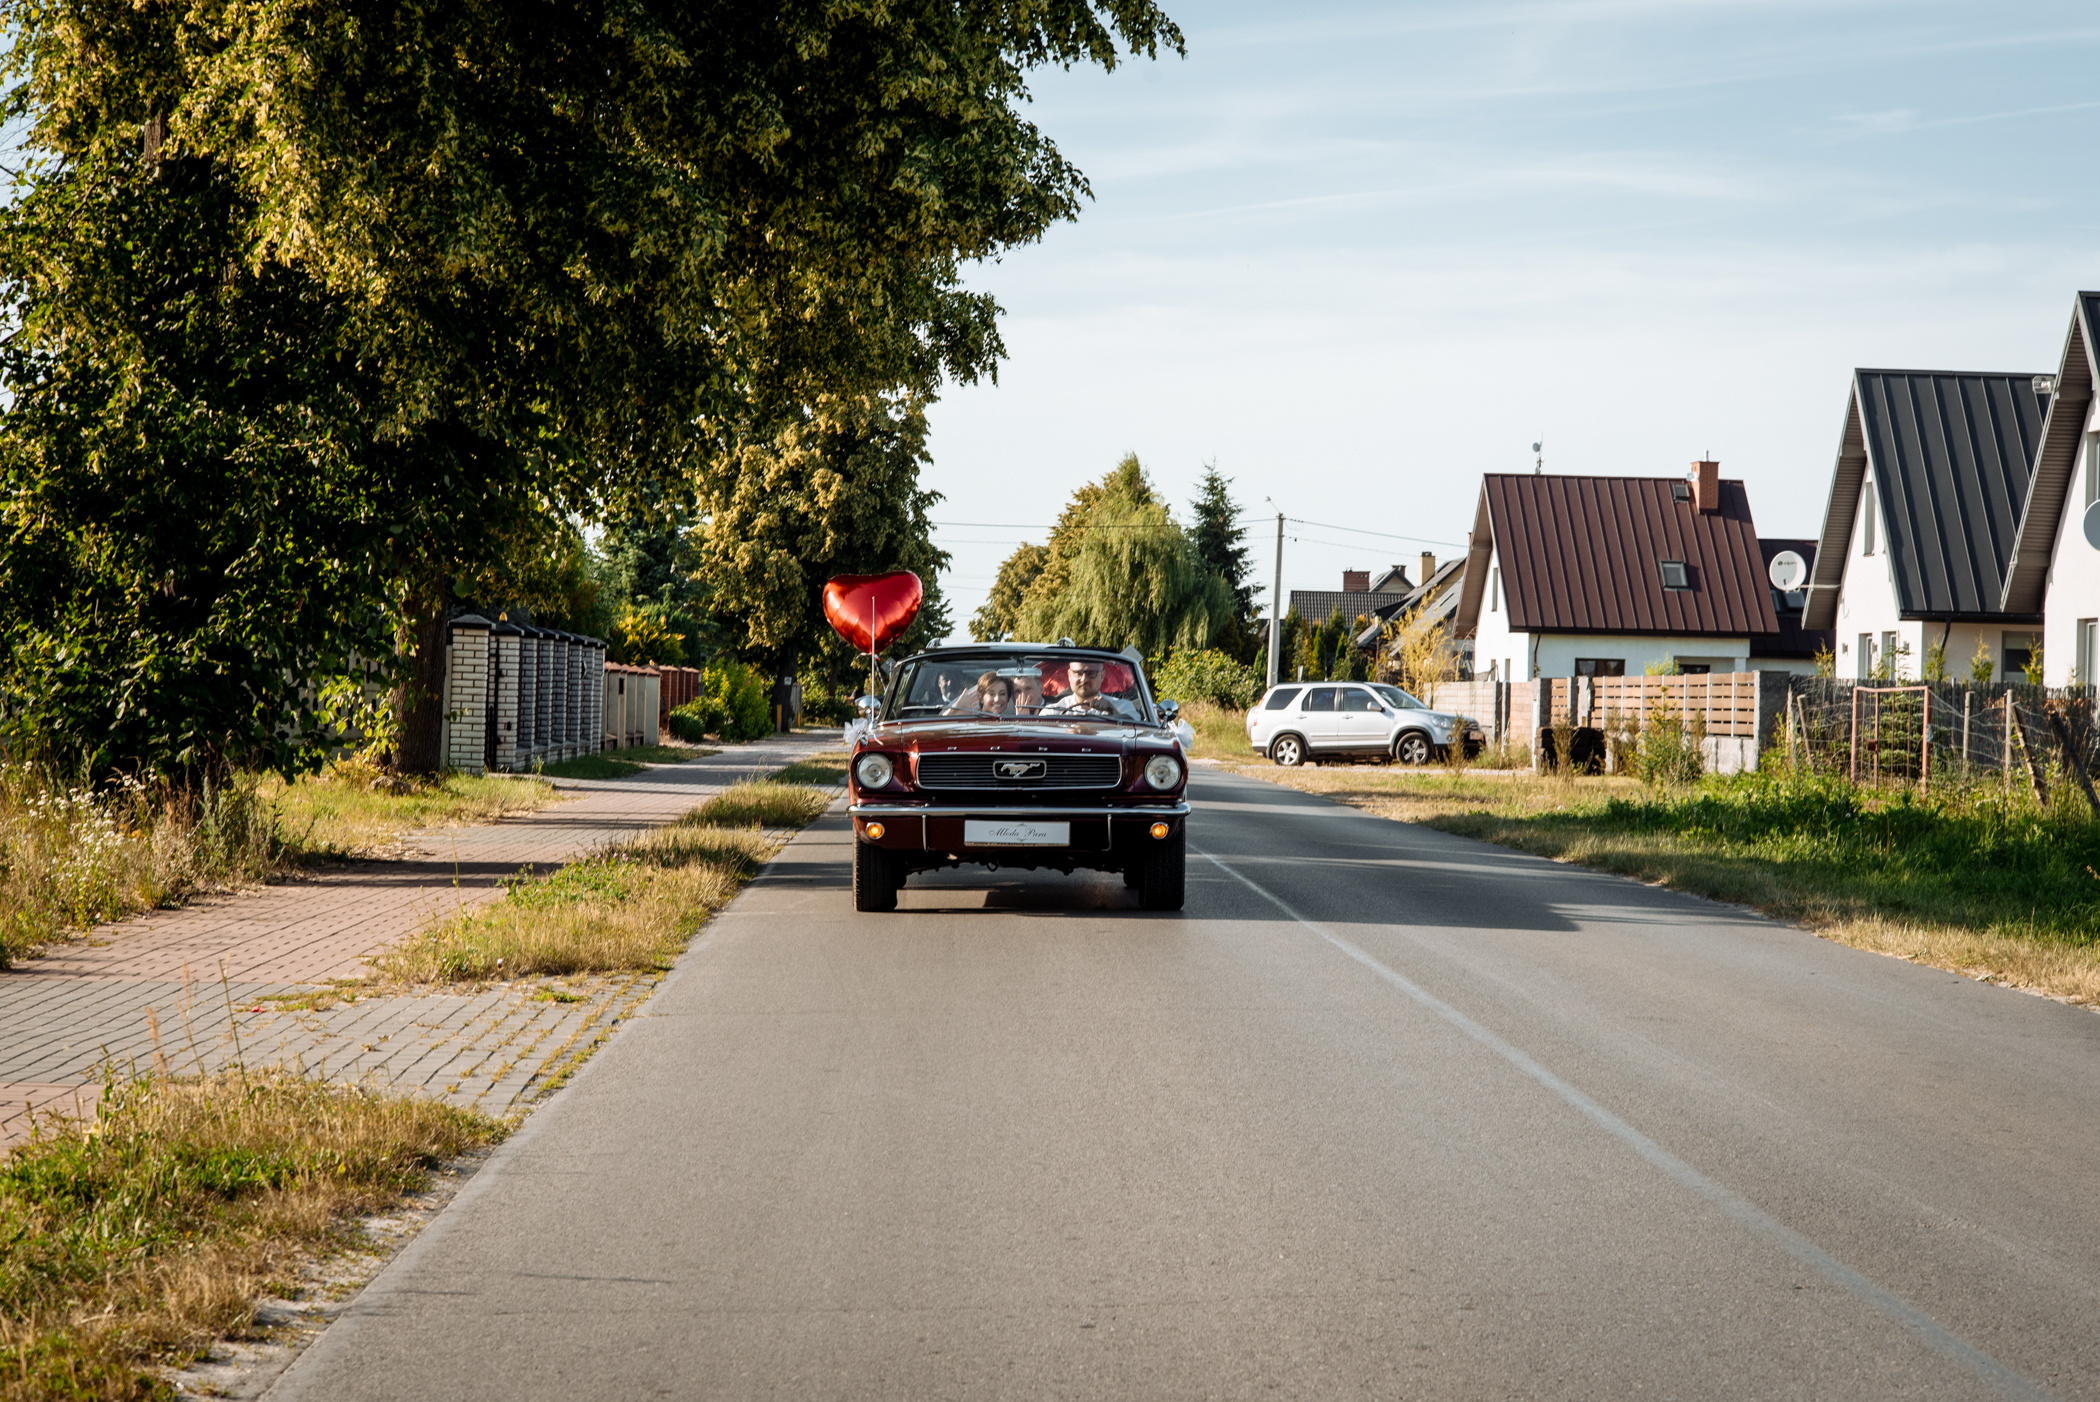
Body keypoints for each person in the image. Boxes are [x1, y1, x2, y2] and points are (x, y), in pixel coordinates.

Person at [1042, 658, 1139, 720]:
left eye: (1091, 673)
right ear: (1069, 676)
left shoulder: (1123, 707)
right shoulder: (1052, 712)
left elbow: (1131, 729)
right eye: (1078, 673)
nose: (1084, 679)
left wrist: (1113, 712)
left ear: (1102, 676)